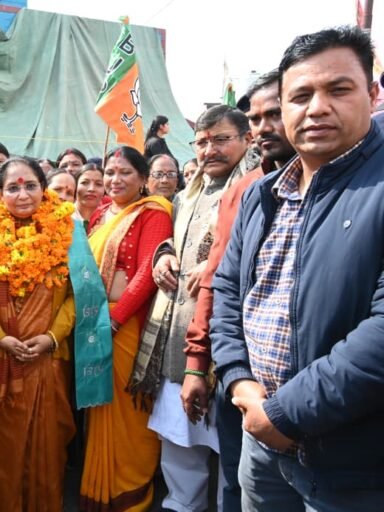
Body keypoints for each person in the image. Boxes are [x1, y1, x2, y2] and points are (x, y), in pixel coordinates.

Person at [211, 26, 384, 510]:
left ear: (373, 94)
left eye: (339, 90)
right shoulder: (262, 195)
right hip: (261, 440)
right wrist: (239, 380)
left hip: (353, 463)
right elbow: (228, 291)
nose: (317, 108)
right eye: (301, 96)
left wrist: (285, 413)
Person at [181, 69, 296, 512]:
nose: (266, 127)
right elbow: (221, 282)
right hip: (241, 376)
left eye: (276, 113)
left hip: (322, 395)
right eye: (257, 118)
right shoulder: (248, 192)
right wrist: (200, 364)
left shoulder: (363, 187)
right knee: (238, 483)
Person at [141, 105, 260, 512]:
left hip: (230, 339)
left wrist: (214, 267)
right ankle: (181, 505)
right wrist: (163, 255)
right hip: (181, 335)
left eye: (221, 139)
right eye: (202, 142)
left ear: (246, 139)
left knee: (233, 452)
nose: (210, 150)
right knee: (179, 441)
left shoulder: (259, 188)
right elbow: (171, 237)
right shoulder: (187, 194)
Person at [0, 157, 76, 511]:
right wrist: (1, 338)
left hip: (49, 360)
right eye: (13, 187)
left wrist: (52, 337)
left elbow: (78, 296)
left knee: (49, 447)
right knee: (7, 448)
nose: (23, 195)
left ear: (44, 189)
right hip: (4, 361)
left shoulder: (69, 233)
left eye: (30, 186)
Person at [80, 146, 173, 511]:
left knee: (130, 414)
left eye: (125, 173)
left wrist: (115, 322)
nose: (115, 179)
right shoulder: (101, 213)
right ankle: (98, 490)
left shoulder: (153, 213)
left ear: (143, 178)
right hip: (93, 322)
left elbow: (146, 274)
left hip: (126, 325)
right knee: (99, 409)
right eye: (109, 172)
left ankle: (130, 492)